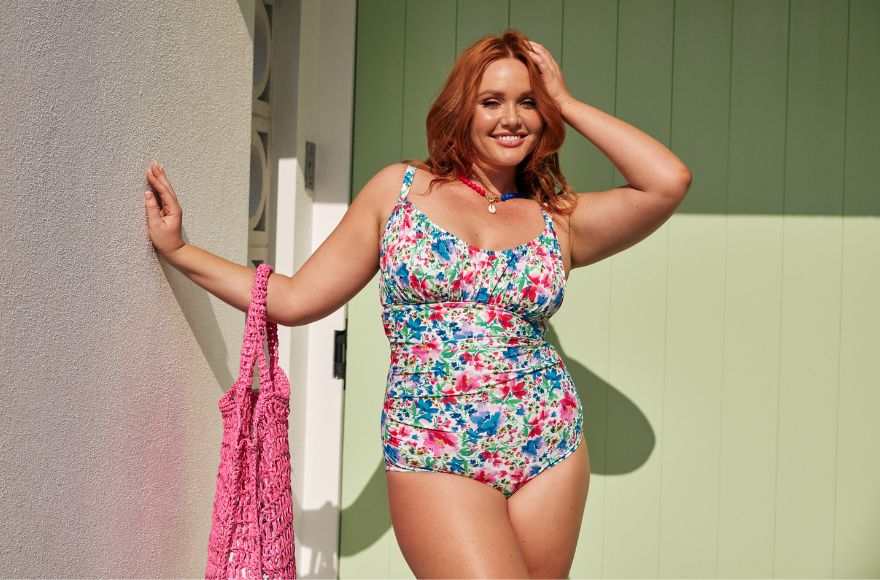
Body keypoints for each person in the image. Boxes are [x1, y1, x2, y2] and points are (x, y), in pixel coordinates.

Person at [144, 29, 690, 579]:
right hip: (434, 449)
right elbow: (294, 298)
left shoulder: (559, 218)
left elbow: (666, 182)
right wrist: (183, 251)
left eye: (528, 102)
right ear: (462, 109)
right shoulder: (399, 192)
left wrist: (567, 102)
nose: (512, 118)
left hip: (549, 445)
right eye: (492, 101)